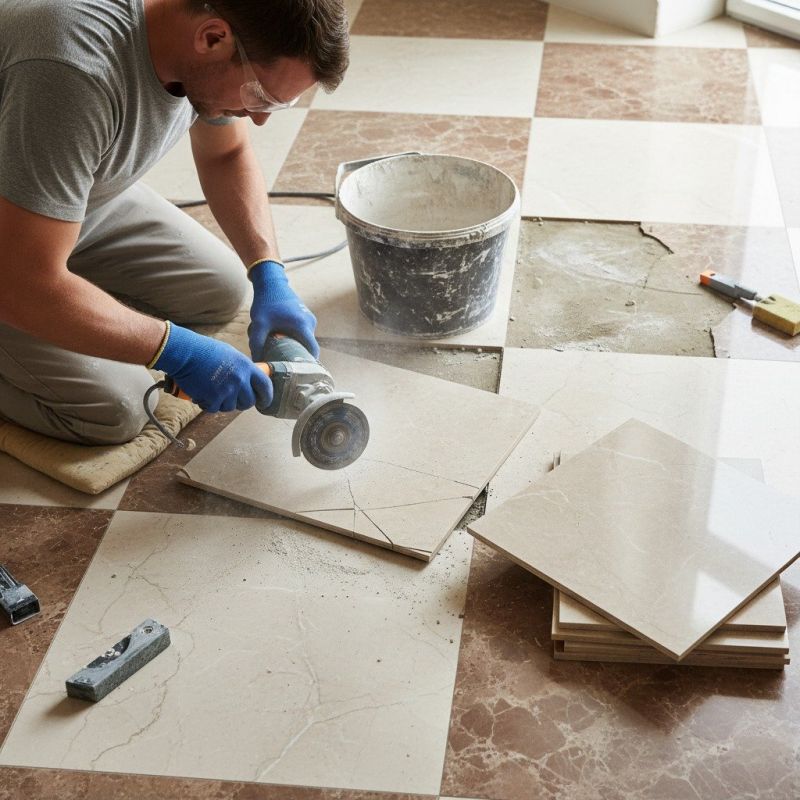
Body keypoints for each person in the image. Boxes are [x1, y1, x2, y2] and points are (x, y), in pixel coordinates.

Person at [0, 0, 349, 444]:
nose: (260, 118)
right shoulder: (71, 72)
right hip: (10, 244)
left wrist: (268, 273)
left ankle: (60, 273)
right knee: (116, 408)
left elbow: (227, 154)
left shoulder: (198, 41)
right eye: (260, 96)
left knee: (221, 289)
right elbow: (20, 283)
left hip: (65, 199)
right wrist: (174, 350)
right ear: (213, 38)